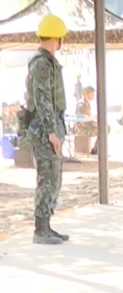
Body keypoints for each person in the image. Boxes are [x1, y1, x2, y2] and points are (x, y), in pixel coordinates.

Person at [22, 14, 70, 245]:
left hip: (49, 126)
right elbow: (42, 100)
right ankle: (40, 229)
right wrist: (51, 132)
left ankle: (46, 225)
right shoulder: (42, 63)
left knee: (54, 177)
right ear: (57, 38)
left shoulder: (47, 62)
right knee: (48, 177)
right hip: (43, 129)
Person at [74, 86, 99, 156]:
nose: (93, 95)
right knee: (104, 129)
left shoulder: (86, 103)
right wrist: (94, 124)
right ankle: (95, 150)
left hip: (86, 127)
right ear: (86, 94)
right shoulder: (81, 104)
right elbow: (82, 120)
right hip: (82, 129)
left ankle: (95, 149)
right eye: (92, 93)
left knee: (104, 128)